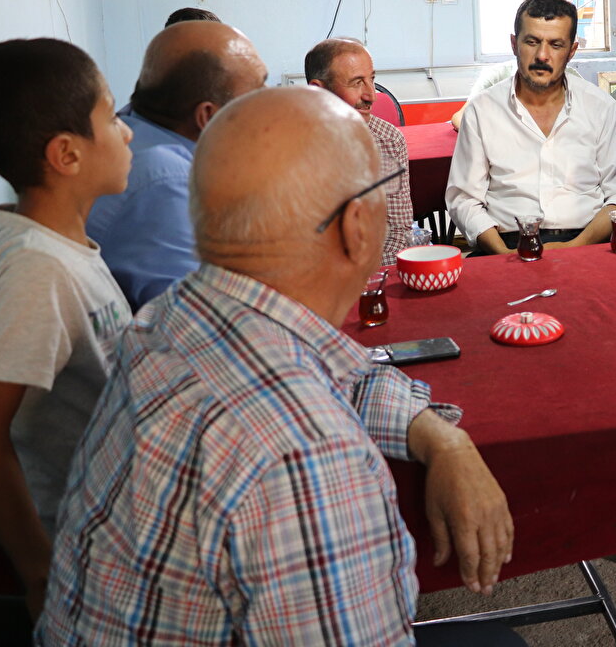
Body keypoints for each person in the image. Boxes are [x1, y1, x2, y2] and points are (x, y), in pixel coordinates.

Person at [40, 86, 524, 646]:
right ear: (355, 227)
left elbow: (340, 370)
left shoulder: (168, 316)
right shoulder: (307, 457)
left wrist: (443, 440)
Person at [0, 39, 133, 619]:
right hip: (77, 542)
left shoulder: (60, 245)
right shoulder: (39, 270)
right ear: (67, 154)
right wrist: (39, 570)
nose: (127, 132)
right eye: (111, 118)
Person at [86, 20, 268, 310]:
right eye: (258, 92)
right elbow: (200, 321)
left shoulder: (137, 126)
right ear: (208, 117)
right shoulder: (166, 181)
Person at [446, 0, 616, 256]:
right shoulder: (482, 110)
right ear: (514, 44)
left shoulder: (601, 107)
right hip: (506, 243)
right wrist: (503, 254)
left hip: (588, 240)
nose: (542, 56)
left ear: (571, 51)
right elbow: (464, 199)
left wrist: (573, 248)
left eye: (556, 45)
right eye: (532, 42)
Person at [306, 37, 413, 265]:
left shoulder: (388, 141)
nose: (371, 95)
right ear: (319, 90)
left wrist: (363, 279)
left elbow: (397, 229)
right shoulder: (288, 147)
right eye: (356, 83)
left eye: (372, 79)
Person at [449, 60, 582, 132]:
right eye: (532, 42)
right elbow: (460, 117)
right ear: (515, 43)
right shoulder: (496, 76)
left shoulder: (571, 79)